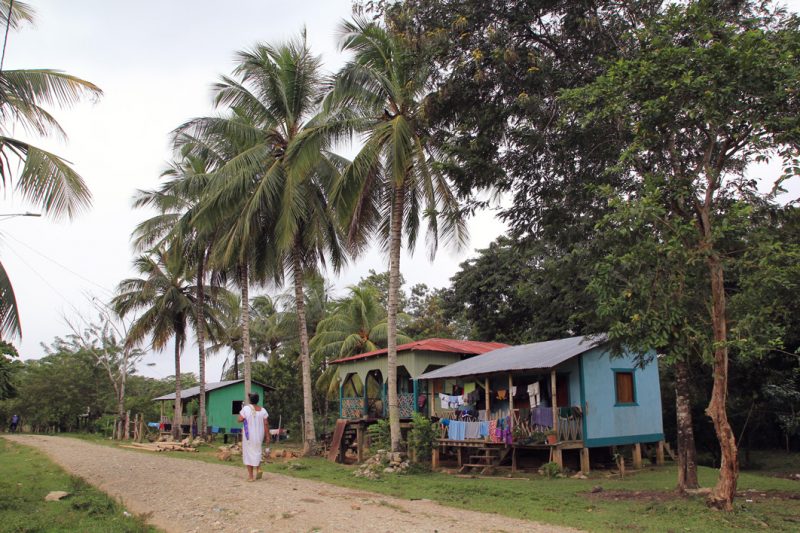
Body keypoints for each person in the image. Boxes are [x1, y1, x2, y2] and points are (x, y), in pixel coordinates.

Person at [237, 393, 268, 482]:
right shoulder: (263, 410)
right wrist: (268, 436)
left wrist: (243, 418)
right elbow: (266, 423)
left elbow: (239, 419)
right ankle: (258, 469)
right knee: (257, 451)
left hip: (249, 436)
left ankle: (251, 476)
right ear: (258, 400)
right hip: (259, 435)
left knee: (248, 453)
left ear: (250, 400)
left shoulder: (246, 409)